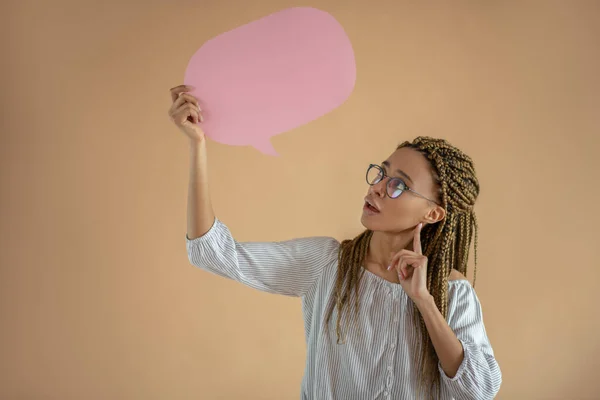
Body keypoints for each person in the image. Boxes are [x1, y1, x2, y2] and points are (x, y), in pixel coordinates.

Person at [168, 84, 502, 400]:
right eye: (382, 174)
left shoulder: (451, 292)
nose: (376, 188)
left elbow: (478, 390)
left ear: (432, 214)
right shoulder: (327, 263)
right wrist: (197, 145)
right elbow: (214, 254)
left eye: (398, 185)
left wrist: (424, 302)